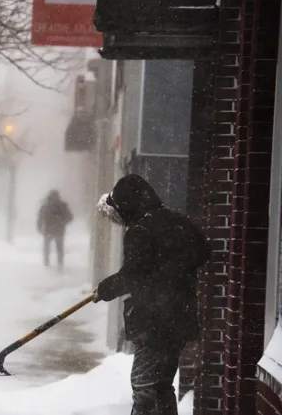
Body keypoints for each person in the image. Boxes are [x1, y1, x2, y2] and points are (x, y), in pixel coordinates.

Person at [93, 174, 210, 415]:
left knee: (144, 386)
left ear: (128, 205)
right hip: (179, 318)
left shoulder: (141, 231)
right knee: (161, 387)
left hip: (155, 319)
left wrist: (104, 290)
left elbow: (132, 276)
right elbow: (202, 252)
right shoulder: (178, 223)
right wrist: (171, 268)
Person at [37, 189, 73, 267]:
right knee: (59, 248)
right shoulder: (62, 205)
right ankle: (58, 264)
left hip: (49, 230)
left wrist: (39, 227)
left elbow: (40, 218)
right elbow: (70, 217)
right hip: (58, 230)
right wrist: (62, 222)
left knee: (48, 248)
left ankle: (47, 263)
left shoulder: (46, 206)